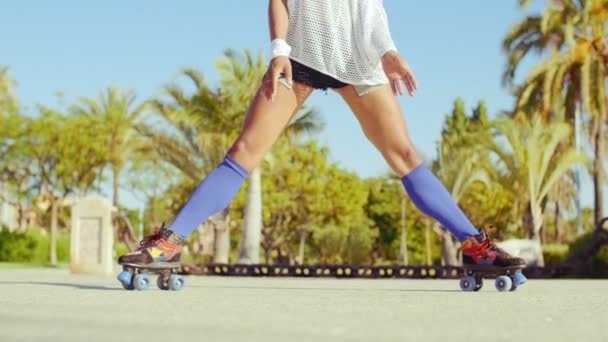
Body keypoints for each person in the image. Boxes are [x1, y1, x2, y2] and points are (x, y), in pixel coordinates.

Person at [118, 0, 525, 272]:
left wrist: (388, 52)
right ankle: (169, 243)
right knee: (244, 151)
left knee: (404, 154)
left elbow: (372, 10)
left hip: (356, 56)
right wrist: (278, 48)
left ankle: (475, 246)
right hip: (300, 55)